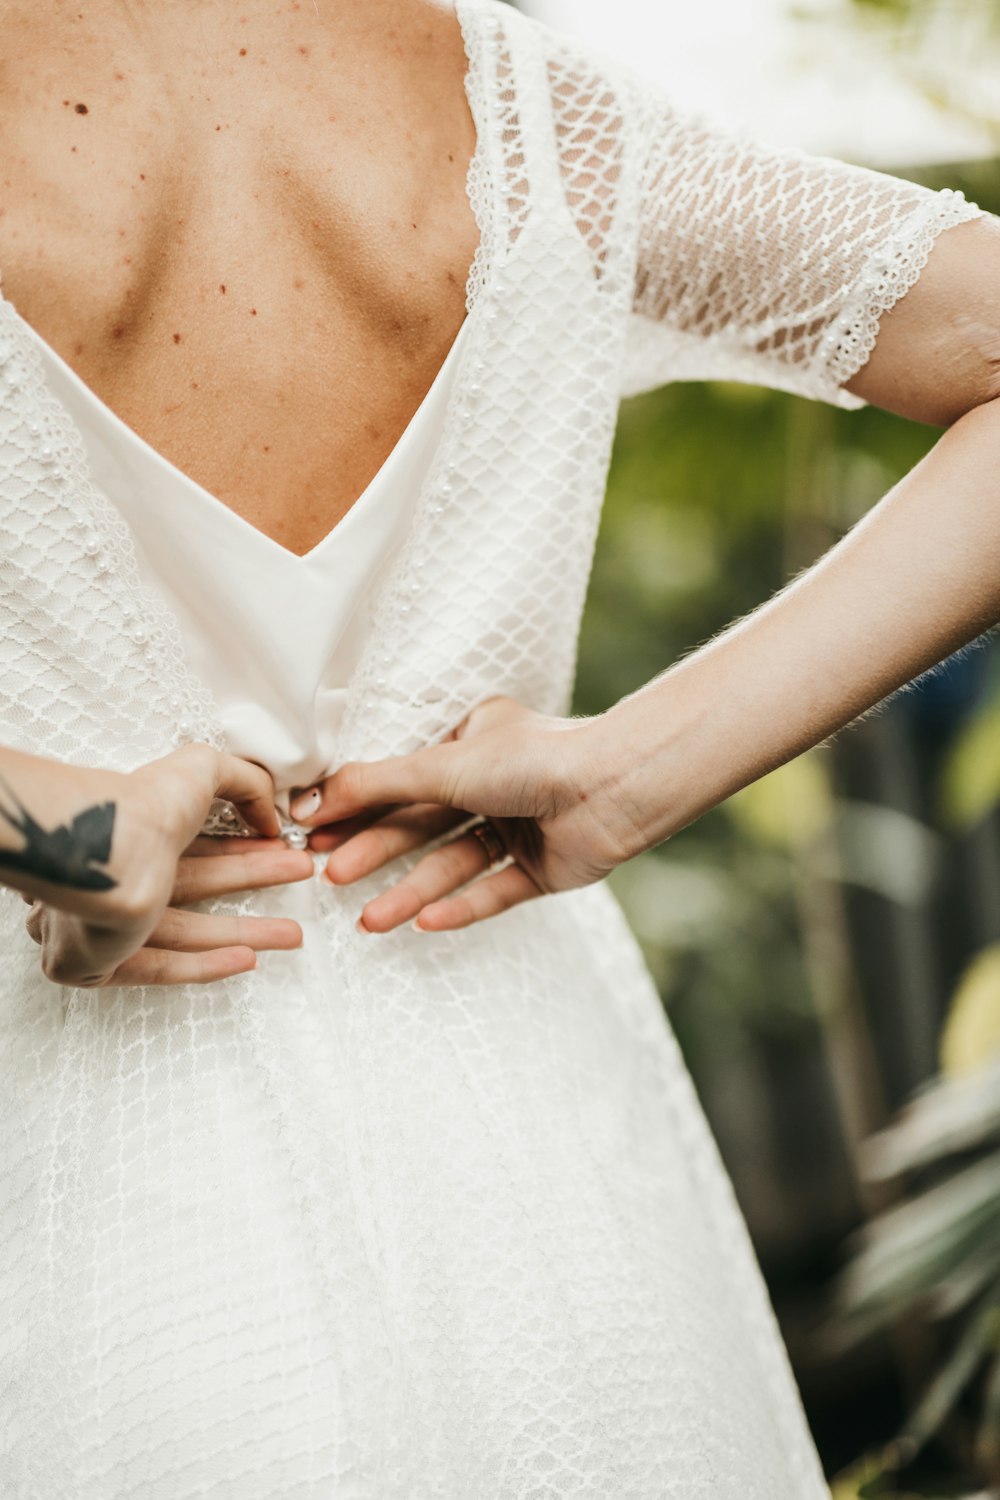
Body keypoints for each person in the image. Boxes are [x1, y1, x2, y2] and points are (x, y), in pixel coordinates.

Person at [1, 0, 998, 1493]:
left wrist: (47, 823)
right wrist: (635, 768)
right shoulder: (536, 123)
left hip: (90, 1185)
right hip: (550, 1177)